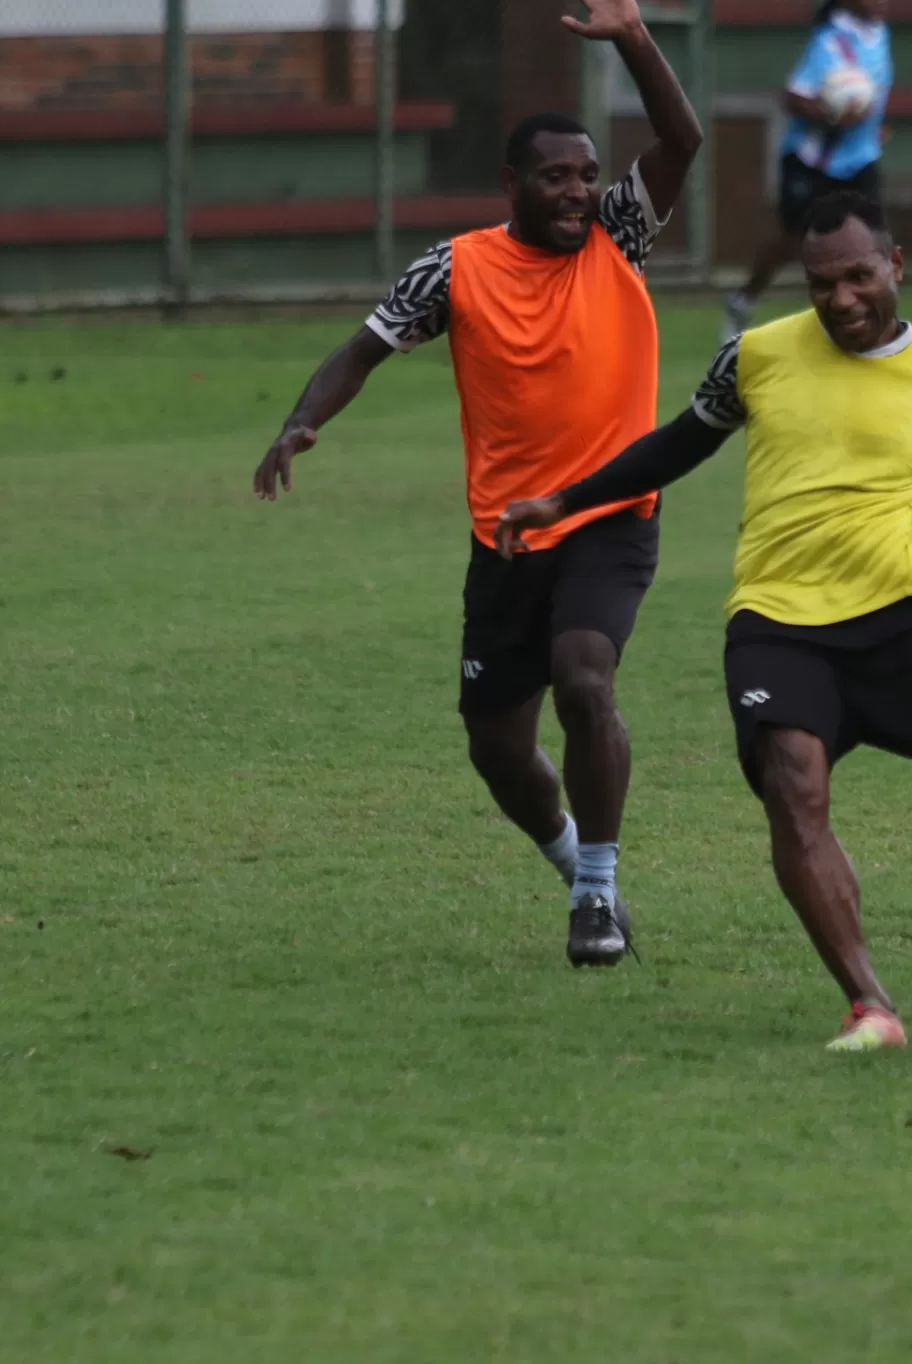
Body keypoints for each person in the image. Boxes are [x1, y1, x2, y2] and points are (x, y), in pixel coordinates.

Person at [499, 194, 912, 1052]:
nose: (840, 298)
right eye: (820, 284)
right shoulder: (754, 356)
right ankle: (872, 1007)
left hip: (898, 618)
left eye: (858, 276)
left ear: (893, 264)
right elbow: (676, 443)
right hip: (776, 624)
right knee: (794, 792)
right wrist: (565, 499)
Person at [252, 0, 702, 970]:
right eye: (556, 177)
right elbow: (362, 350)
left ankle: (596, 893)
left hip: (609, 516)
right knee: (498, 748)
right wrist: (301, 420)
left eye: (587, 174)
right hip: (502, 536)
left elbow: (681, 138)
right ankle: (571, 857)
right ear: (513, 184)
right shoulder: (453, 269)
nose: (579, 191)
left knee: (586, 679)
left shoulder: (619, 236)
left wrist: (633, 39)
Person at [723, 0, 892, 340]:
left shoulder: (879, 32)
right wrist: (831, 115)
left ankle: (876, 326)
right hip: (814, 160)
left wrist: (872, 125)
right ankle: (743, 300)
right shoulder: (831, 40)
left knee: (873, 239)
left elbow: (871, 90)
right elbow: (793, 96)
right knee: (791, 239)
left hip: (860, 158)